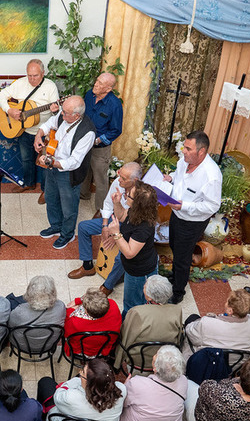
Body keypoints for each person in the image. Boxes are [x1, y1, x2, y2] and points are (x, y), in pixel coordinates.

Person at [164, 131, 222, 304]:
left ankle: (178, 291)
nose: (183, 151)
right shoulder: (185, 160)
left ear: (201, 152)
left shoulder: (211, 176)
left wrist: (185, 206)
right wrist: (170, 178)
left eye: (188, 149)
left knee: (183, 257)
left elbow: (212, 206)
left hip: (192, 222)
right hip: (176, 213)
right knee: (174, 246)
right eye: (184, 146)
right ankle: (175, 276)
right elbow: (179, 176)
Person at [68, 161, 142, 293]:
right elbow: (108, 204)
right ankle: (87, 266)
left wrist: (116, 235)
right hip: (114, 220)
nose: (119, 179)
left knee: (122, 256)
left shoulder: (142, 194)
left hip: (131, 229)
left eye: (123, 178)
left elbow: (138, 224)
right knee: (83, 227)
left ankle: (108, 286)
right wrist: (104, 226)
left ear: (135, 180)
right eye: (119, 175)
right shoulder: (117, 183)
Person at [34, 95, 96, 250]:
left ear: (77, 115)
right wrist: (38, 135)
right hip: (52, 166)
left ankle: (67, 234)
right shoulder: (63, 116)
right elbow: (49, 123)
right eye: (62, 111)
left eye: (65, 113)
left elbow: (74, 161)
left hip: (68, 173)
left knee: (69, 207)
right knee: (51, 198)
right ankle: (55, 226)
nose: (61, 114)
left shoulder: (87, 132)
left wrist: (52, 163)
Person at [0, 59, 60, 197]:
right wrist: (9, 110)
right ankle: (29, 183)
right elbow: (0, 96)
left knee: (45, 162)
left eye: (35, 75)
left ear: (42, 73)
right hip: (24, 130)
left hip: (44, 132)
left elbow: (57, 113)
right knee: (26, 160)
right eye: (29, 75)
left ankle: (45, 190)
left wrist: (55, 110)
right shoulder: (20, 83)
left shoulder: (50, 86)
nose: (31, 79)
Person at [39, 358, 126, 421]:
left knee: (45, 382)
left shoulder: (71, 397)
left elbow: (58, 395)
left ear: (89, 383)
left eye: (83, 373)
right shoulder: (122, 391)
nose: (80, 373)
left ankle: (41, 416)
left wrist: (76, 380)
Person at [119, 345, 189, 421]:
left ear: (155, 368)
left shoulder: (137, 383)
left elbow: (122, 404)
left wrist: (124, 387)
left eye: (156, 355)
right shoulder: (184, 381)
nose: (154, 355)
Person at [105, 182, 159, 313]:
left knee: (132, 305)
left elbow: (129, 253)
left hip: (139, 270)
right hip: (131, 267)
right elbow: (122, 216)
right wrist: (117, 203)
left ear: (138, 203)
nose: (125, 195)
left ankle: (129, 328)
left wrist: (116, 233)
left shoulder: (144, 227)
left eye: (128, 195)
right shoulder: (136, 211)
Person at [114, 274, 182, 370]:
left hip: (139, 360)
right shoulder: (177, 310)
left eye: (145, 286)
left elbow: (125, 338)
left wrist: (117, 361)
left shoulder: (137, 312)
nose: (143, 287)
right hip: (164, 359)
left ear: (149, 298)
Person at [80, 73, 124, 210]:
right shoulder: (89, 95)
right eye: (97, 80)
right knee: (84, 171)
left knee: (100, 180)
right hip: (84, 144)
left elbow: (116, 130)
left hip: (100, 148)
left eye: (100, 83)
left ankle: (101, 210)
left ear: (108, 89)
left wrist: (98, 141)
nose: (96, 84)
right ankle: (83, 195)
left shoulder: (115, 105)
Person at [183, 289, 250, 356]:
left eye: (227, 302)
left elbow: (191, 334)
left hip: (210, 363)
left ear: (230, 310)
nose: (225, 303)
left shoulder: (206, 323)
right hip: (239, 365)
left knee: (192, 318)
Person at [7, 275, 67, 352]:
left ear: (29, 292)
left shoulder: (20, 311)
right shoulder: (60, 307)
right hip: (48, 345)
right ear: (53, 292)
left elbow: (10, 325)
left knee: (10, 300)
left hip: (21, 345)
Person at [64, 287, 122, 358]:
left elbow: (66, 334)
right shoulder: (113, 305)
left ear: (86, 311)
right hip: (102, 351)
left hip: (81, 351)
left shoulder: (75, 322)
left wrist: (70, 310)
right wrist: (79, 301)